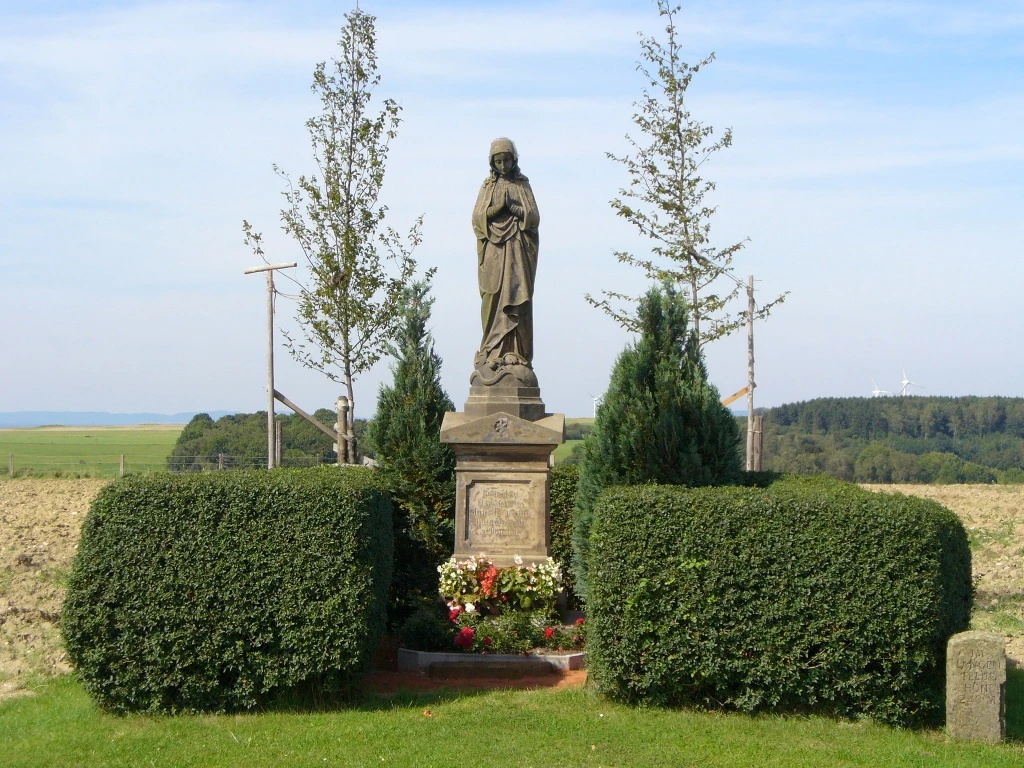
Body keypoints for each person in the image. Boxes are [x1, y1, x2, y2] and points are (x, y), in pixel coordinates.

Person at [471, 138, 540, 385]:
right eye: (498, 161)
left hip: (516, 250)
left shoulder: (522, 184)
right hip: (493, 251)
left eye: (506, 160)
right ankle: (491, 351)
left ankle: (515, 353)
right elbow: (477, 219)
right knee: (492, 297)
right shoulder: (488, 186)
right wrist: (495, 209)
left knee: (517, 297)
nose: (502, 165)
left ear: (514, 160)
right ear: (492, 162)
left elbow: (533, 217)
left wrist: (515, 208)